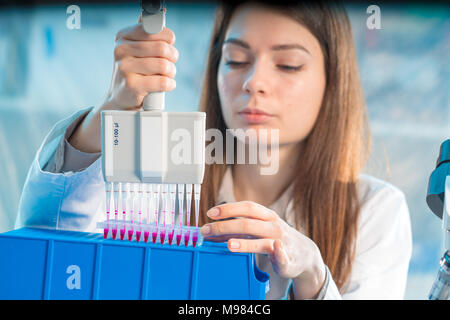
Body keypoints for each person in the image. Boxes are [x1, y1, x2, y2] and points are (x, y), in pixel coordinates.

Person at [16, 0, 412, 299]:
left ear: (333, 81)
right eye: (236, 60)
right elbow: (45, 243)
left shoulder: (374, 210)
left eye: (288, 65)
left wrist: (312, 274)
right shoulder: (161, 182)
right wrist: (113, 108)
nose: (254, 82)